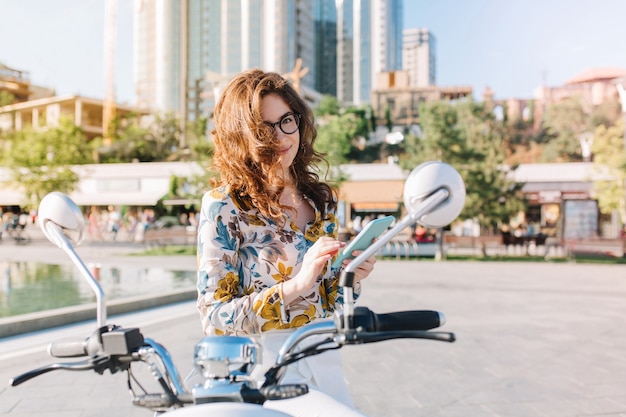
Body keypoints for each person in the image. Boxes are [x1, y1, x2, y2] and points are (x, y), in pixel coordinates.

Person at [196, 69, 377, 417]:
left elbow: (329, 305)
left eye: (286, 121)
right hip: (262, 374)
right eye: (265, 127)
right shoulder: (224, 206)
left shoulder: (320, 201)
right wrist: (295, 285)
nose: (280, 136)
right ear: (241, 135)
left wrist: (352, 277)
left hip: (322, 361)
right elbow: (214, 317)